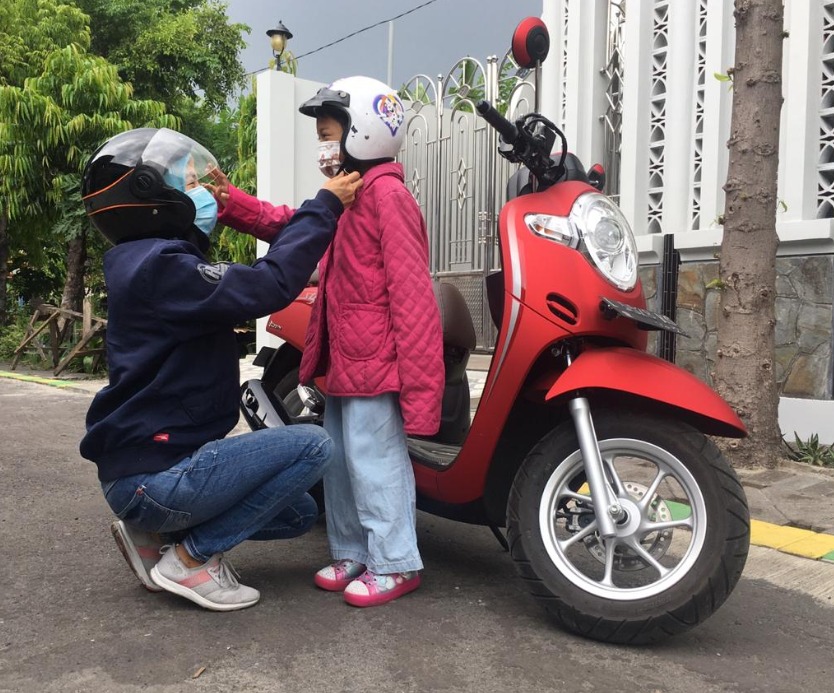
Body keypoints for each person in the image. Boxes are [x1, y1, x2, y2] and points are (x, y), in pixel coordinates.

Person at [78, 127, 363, 611]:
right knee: (313, 445)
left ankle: (154, 539)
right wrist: (325, 206)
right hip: (155, 477)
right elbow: (267, 285)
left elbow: (252, 278)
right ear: (149, 197)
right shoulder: (161, 267)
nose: (202, 195)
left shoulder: (150, 264)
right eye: (189, 185)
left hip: (149, 472)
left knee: (296, 513)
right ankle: (191, 560)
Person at [214, 76, 444, 607]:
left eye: (328, 135)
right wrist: (233, 203)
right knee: (340, 462)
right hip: (345, 360)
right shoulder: (347, 196)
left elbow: (414, 300)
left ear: (364, 133)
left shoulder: (389, 197)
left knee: (375, 461)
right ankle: (354, 552)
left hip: (375, 364)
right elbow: (293, 224)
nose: (323, 147)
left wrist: (421, 393)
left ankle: (395, 561)